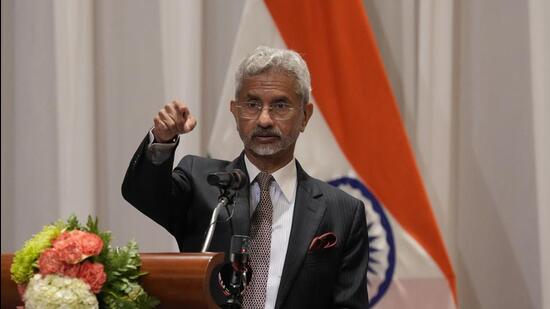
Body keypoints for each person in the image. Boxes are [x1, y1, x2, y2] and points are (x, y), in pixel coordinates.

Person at [122, 46, 369, 308]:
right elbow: (143, 194)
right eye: (252, 104)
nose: (264, 119)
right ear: (235, 112)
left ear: (305, 116)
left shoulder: (342, 212)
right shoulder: (200, 181)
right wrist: (161, 140)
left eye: (280, 105)